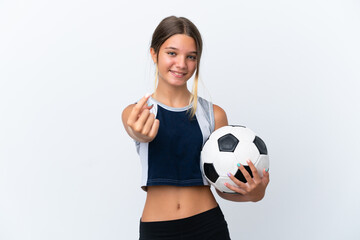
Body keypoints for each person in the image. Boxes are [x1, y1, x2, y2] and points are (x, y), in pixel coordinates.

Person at [122, 16, 270, 240]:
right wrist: (138, 132)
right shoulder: (137, 114)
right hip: (157, 231)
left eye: (191, 57)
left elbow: (223, 186)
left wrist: (255, 194)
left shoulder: (214, 114)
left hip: (207, 226)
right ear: (154, 54)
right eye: (172, 53)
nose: (181, 64)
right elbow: (134, 129)